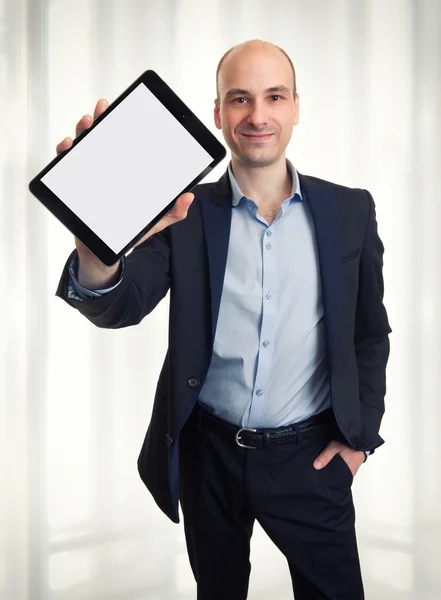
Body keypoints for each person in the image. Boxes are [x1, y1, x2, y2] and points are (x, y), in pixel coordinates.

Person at [55, 39, 391, 600]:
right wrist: (96, 253)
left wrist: (359, 443)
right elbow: (120, 303)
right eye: (239, 99)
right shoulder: (183, 213)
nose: (257, 115)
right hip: (207, 455)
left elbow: (369, 334)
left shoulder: (350, 210)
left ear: (296, 107)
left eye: (273, 96)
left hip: (309, 460)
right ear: (217, 113)